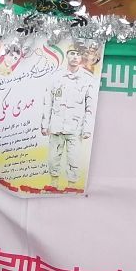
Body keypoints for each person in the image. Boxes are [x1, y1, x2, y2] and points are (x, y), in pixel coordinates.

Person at [41, 44, 95, 188]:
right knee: (53, 158)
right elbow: (48, 101)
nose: (75, 57)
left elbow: (90, 107)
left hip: (75, 128)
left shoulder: (87, 79)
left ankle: (71, 187)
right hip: (56, 126)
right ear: (67, 55)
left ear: (81, 57)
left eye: (78, 54)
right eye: (72, 53)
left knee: (74, 159)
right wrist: (45, 125)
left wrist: (87, 129)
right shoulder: (56, 77)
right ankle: (53, 184)